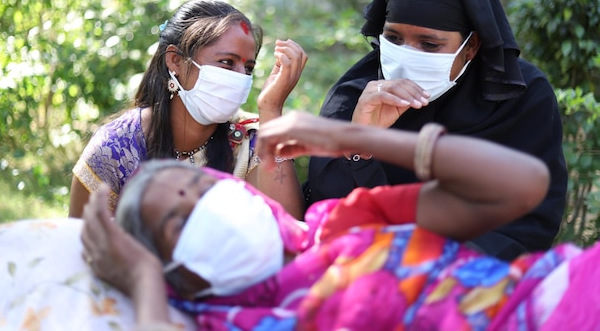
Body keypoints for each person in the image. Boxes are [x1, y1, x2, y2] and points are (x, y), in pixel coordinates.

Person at [80, 111, 600, 331]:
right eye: (178, 221)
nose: (207, 208)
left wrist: (351, 137)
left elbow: (524, 185)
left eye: (203, 188)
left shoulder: (343, 224)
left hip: (562, 296)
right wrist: (144, 280)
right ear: (174, 271)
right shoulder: (231, 320)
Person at [306, 0, 567, 260]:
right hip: (361, 270)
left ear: (471, 46)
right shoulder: (357, 96)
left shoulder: (521, 98)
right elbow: (326, 214)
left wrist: (432, 270)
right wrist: (361, 142)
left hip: (468, 284)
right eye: (393, 38)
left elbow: (528, 223)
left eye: (429, 45)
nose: (407, 55)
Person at [69, 0, 307, 219]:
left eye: (248, 68)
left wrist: (271, 110)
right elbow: (79, 247)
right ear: (175, 61)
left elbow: (290, 238)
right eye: (226, 62)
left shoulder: (252, 140)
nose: (240, 77)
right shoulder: (117, 148)